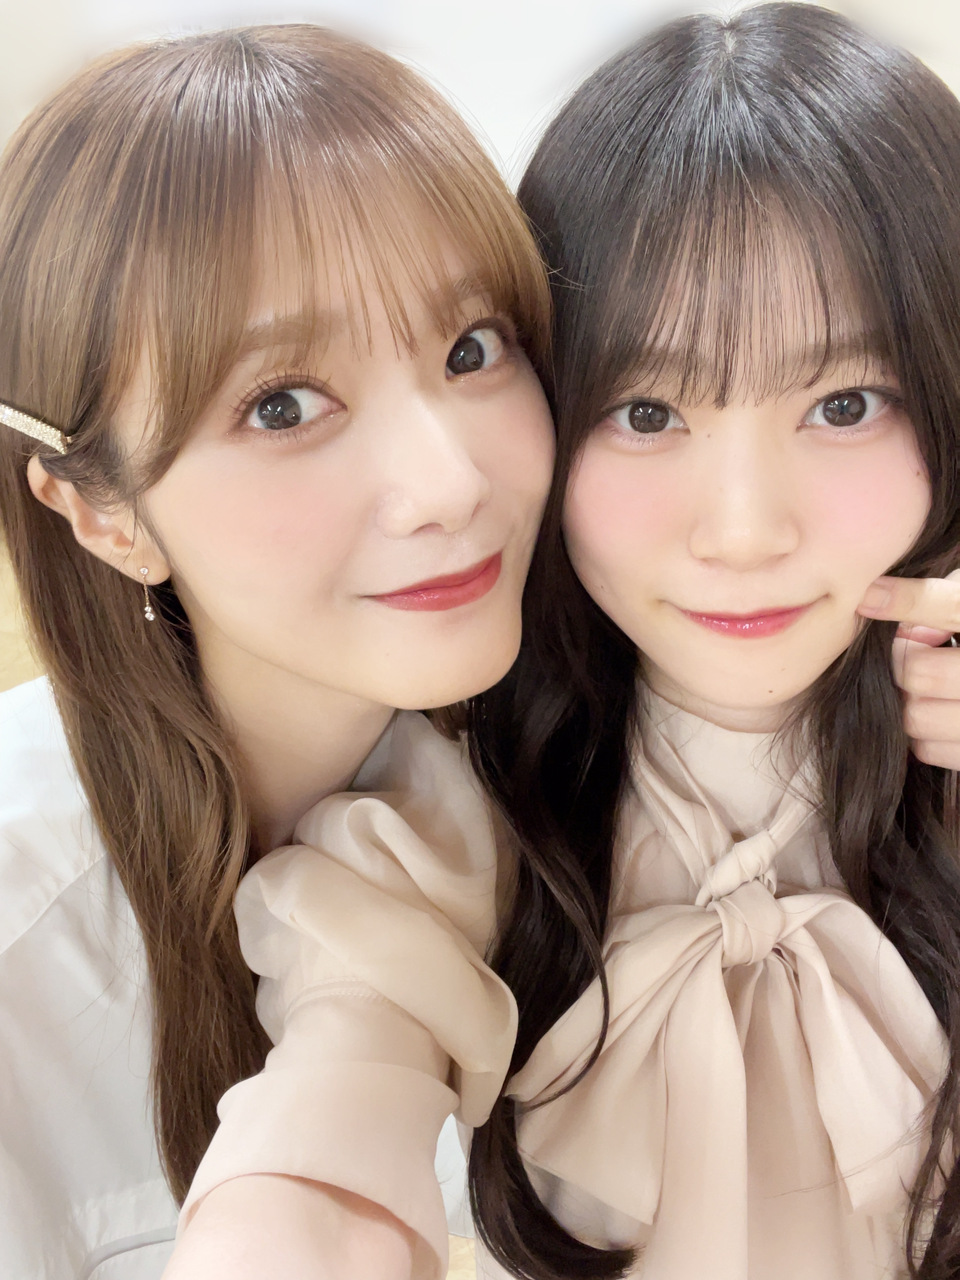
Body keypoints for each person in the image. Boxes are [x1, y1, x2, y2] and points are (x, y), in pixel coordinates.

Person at [156, 5, 960, 1280]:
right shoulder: (470, 821)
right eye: (646, 412)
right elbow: (339, 1095)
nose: (743, 531)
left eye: (845, 403)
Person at [0, 24, 554, 1280]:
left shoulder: (568, 787)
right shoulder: (28, 941)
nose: (449, 484)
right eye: (282, 405)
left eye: (471, 347)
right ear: (102, 513)